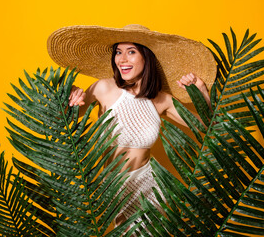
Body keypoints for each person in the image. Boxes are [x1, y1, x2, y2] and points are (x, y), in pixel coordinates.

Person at [47, 24, 216, 227]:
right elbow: (64, 119)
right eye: (118, 52)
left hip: (149, 185)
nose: (122, 59)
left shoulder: (161, 100)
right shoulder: (103, 88)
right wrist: (69, 94)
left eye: (131, 51)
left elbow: (205, 127)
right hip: (114, 185)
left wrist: (202, 92)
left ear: (146, 57)